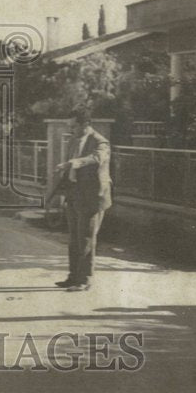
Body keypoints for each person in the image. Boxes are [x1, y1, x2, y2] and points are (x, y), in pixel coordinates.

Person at [54, 108, 112, 291]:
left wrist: (74, 163)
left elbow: (96, 158)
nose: (71, 130)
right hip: (74, 194)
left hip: (92, 196)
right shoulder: (73, 140)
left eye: (74, 126)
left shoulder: (100, 142)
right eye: (70, 126)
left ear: (85, 124)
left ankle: (84, 280)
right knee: (73, 239)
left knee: (86, 238)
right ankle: (73, 277)